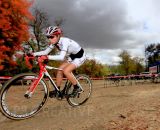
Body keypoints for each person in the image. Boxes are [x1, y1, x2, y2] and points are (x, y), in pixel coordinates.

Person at [33, 26, 86, 97]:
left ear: (58, 36)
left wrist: (47, 57)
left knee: (66, 71)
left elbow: (61, 57)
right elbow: (45, 52)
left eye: (51, 37)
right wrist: (33, 54)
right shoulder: (54, 42)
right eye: (48, 37)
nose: (50, 39)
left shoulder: (64, 41)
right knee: (60, 70)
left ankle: (77, 88)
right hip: (72, 56)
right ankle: (57, 90)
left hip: (80, 56)